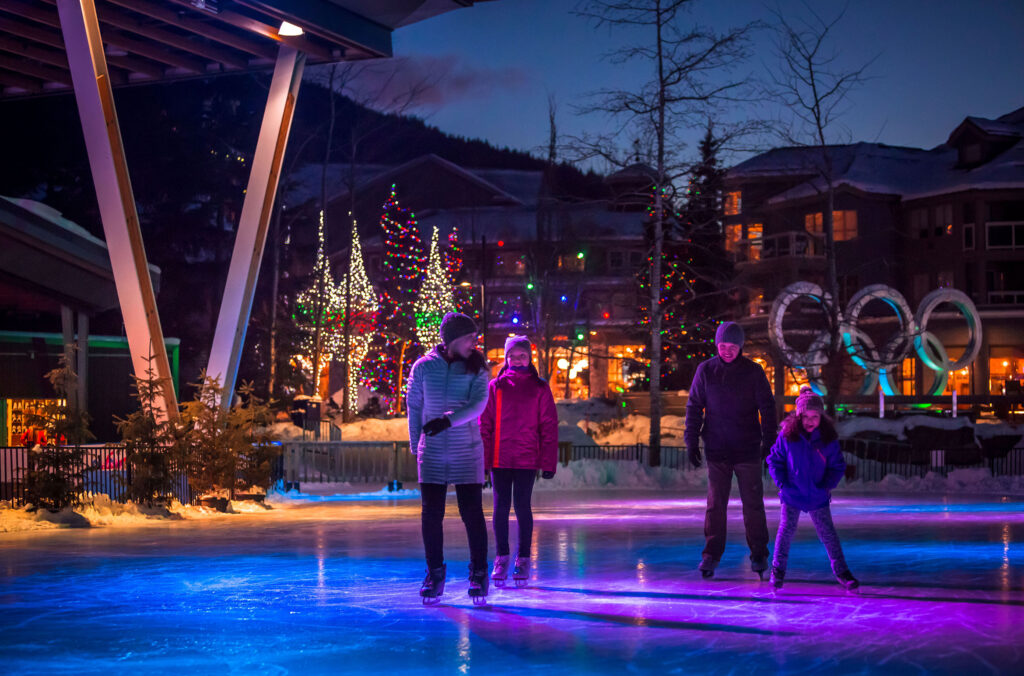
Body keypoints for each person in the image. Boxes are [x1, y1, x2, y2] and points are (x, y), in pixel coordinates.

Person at [406, 312, 491, 605]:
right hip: (432, 452)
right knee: (431, 514)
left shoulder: (477, 368)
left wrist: (447, 421)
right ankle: (435, 572)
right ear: (453, 339)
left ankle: (479, 572)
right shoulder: (423, 367)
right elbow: (414, 406)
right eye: (470, 337)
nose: (474, 342)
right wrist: (416, 441)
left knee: (471, 513)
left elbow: (478, 404)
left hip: (466, 450)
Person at [684, 321, 777, 579]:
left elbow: (767, 409)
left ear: (740, 347)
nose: (727, 351)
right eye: (723, 346)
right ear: (717, 345)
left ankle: (759, 553)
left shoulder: (753, 372)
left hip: (747, 450)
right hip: (717, 450)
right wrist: (691, 440)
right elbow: (694, 407)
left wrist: (769, 442)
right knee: (715, 506)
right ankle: (711, 555)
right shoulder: (706, 371)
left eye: (732, 346)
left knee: (753, 506)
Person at [479, 335, 558, 588]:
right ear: (506, 358)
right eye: (512, 355)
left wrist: (548, 462)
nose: (517, 359)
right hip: (500, 458)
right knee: (501, 508)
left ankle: (523, 558)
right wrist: (483, 463)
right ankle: (502, 557)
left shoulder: (539, 387)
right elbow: (485, 425)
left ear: (529, 357)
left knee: (522, 506)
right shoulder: (495, 386)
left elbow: (548, 425)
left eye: (522, 355)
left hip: (526, 458)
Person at [767, 387, 859, 591]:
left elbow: (837, 466)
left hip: (817, 495)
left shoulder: (827, 439)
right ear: (798, 416)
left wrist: (826, 486)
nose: (810, 420)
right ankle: (777, 570)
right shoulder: (787, 436)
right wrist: (783, 484)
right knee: (785, 532)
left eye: (815, 416)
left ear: (821, 417)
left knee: (828, 534)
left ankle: (842, 572)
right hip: (793, 494)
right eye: (805, 416)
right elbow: (775, 460)